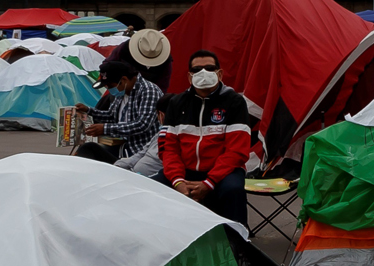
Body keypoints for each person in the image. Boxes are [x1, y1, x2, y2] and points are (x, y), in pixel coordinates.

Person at [158, 49, 259, 223]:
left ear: (219, 74)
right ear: (189, 76)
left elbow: (236, 151)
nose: (203, 73)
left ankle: (237, 241)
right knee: (153, 187)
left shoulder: (234, 102)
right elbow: (168, 149)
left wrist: (209, 182)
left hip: (224, 172)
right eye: (197, 70)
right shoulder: (176, 103)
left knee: (232, 190)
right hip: (185, 171)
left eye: (209, 68)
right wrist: (177, 181)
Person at [74, 51, 162, 163]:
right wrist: (88, 111)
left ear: (124, 80)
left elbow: (142, 124)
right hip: (119, 146)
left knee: (90, 152)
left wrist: (105, 128)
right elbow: (111, 116)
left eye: (110, 86)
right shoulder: (122, 91)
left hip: (139, 151)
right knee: (85, 150)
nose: (109, 89)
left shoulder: (149, 91)